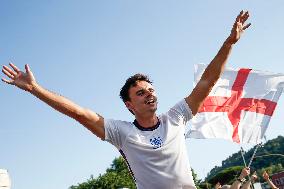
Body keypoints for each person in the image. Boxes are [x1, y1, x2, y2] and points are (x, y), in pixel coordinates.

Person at [1, 11, 251, 189]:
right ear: (129, 105)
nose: (149, 94)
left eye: (151, 90)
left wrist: (229, 43)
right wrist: (35, 88)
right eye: (140, 92)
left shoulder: (175, 117)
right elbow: (78, 113)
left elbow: (206, 83)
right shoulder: (121, 132)